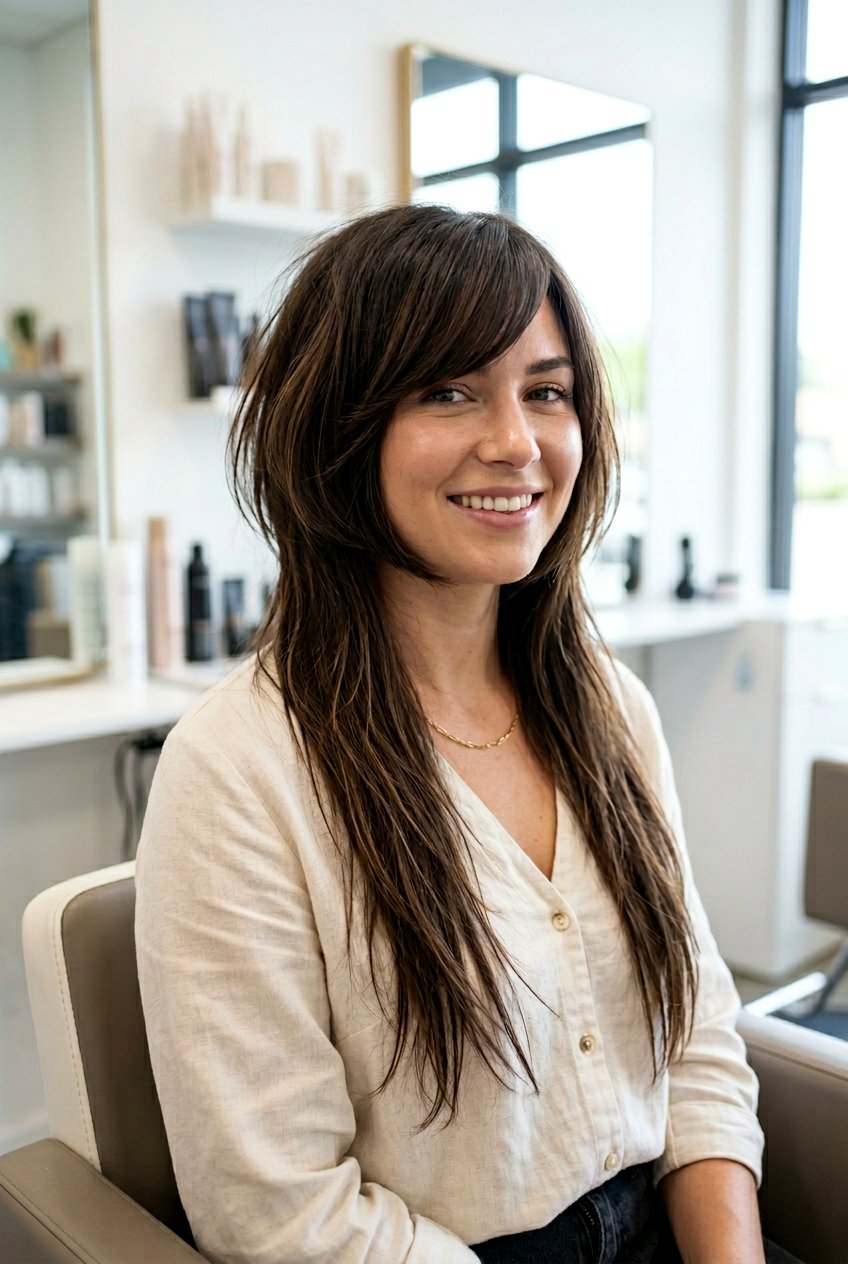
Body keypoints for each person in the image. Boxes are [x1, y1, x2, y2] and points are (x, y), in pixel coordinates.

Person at [136, 204, 791, 1264]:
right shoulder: (239, 771)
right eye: (448, 390)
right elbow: (280, 1215)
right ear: (337, 425)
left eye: (545, 391)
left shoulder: (611, 710)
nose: (514, 442)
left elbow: (695, 1040)